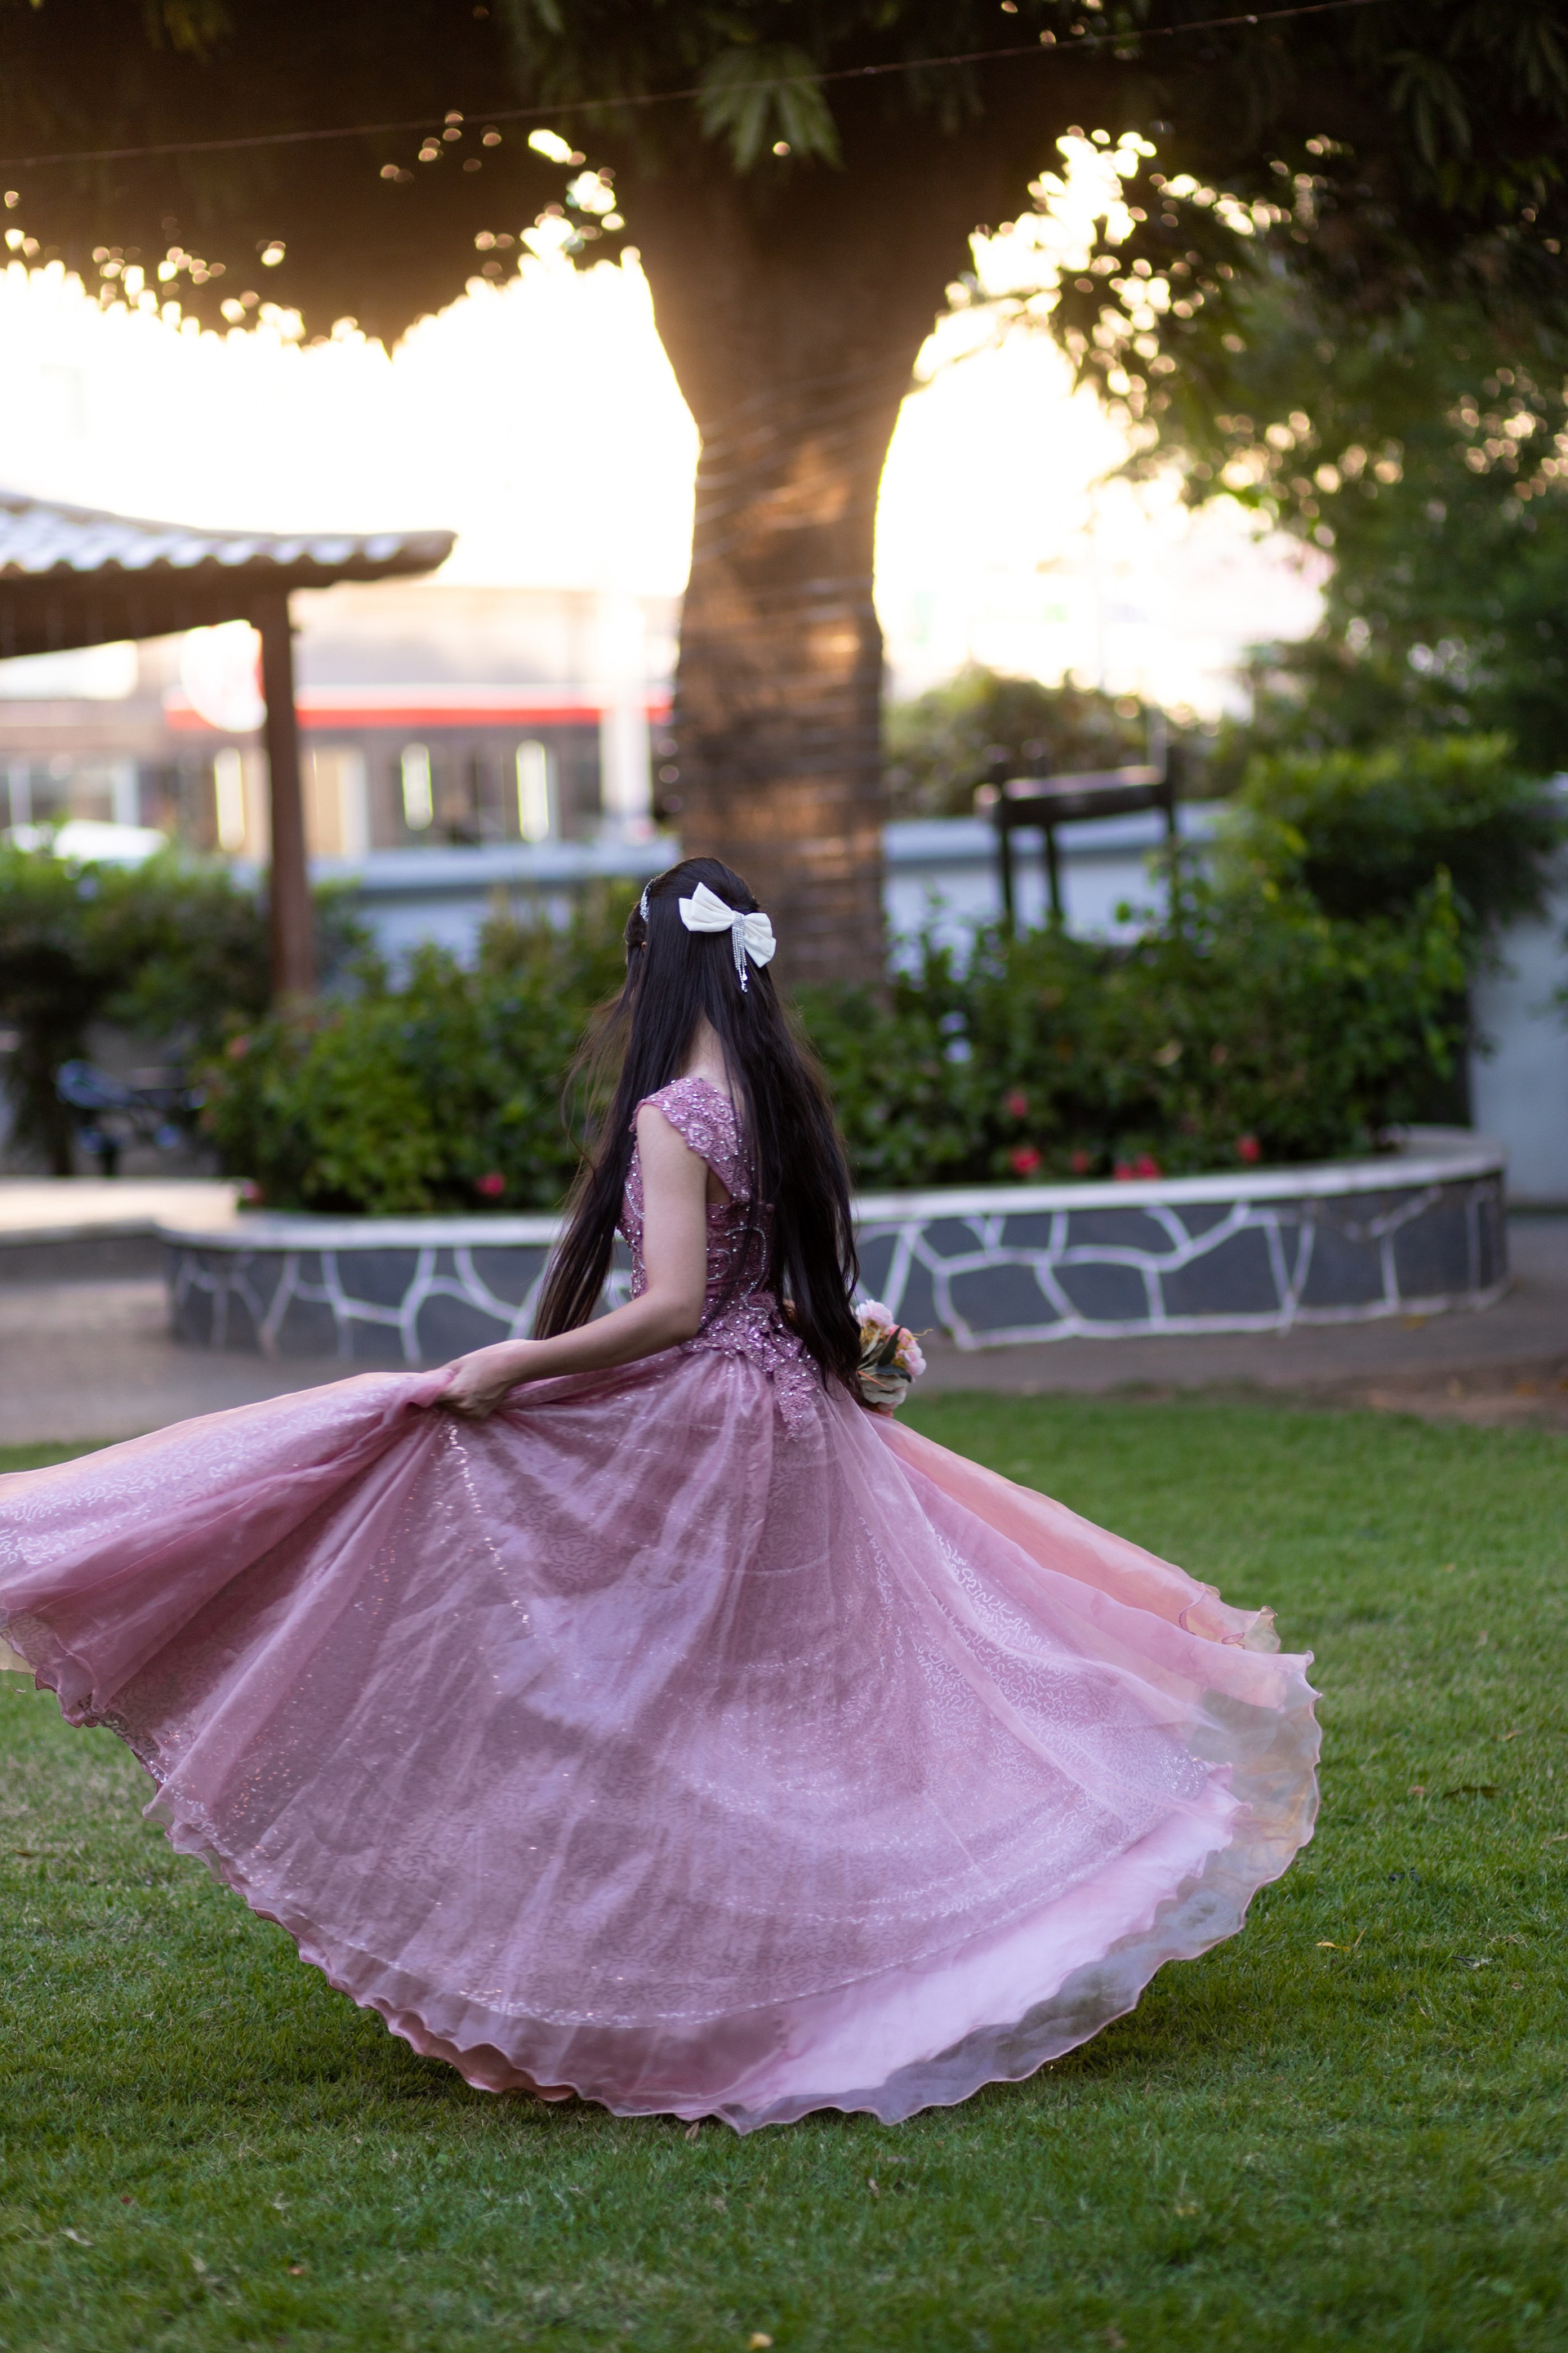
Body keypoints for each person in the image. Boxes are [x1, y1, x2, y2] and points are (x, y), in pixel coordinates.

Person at [0, 858, 1318, 2133]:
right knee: (797, 1703)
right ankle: (821, 1955)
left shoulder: (677, 1112)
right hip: (795, 1416)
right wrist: (851, 1337)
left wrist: (520, 1361)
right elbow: (784, 1280)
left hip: (713, 1423)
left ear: (655, 965)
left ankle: (699, 1984)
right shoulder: (775, 1093)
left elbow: (675, 1305)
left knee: (640, 1692)